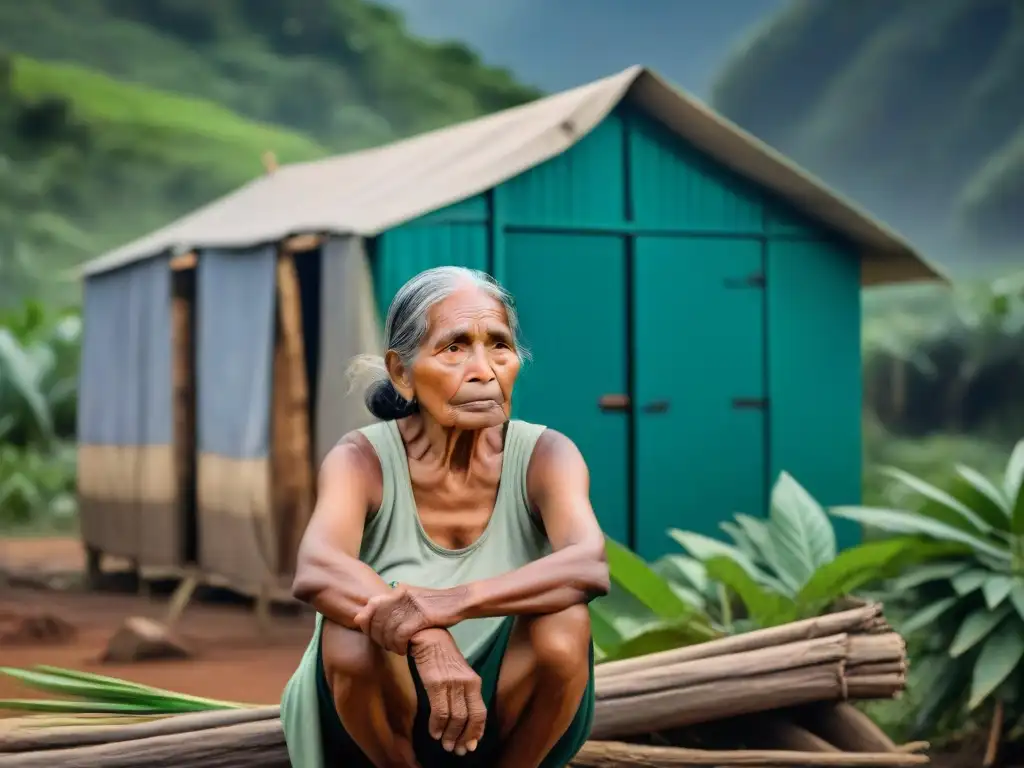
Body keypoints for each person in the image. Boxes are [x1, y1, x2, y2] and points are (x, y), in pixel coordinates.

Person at [280, 266, 609, 768]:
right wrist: (427, 637)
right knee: (350, 634)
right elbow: (318, 567)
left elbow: (587, 565)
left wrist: (449, 603)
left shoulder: (546, 454)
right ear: (401, 372)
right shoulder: (360, 459)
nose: (484, 370)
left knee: (565, 622)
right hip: (380, 712)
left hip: (508, 701)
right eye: (454, 347)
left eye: (498, 345)